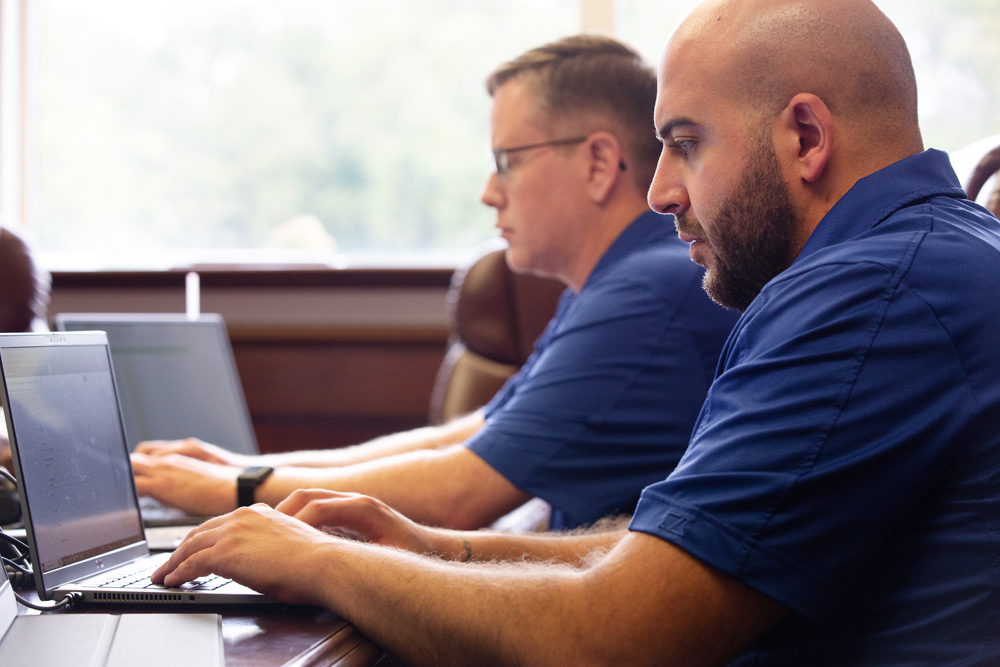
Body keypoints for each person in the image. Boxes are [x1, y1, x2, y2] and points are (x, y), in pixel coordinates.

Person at [151, 0, 1000, 664]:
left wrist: (322, 561)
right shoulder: (912, 261)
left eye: (685, 144)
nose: (660, 188)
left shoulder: (868, 295)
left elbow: (615, 640)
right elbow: (669, 551)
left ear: (805, 137)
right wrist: (439, 550)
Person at [131, 35, 738, 531]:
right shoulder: (619, 283)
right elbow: (476, 433)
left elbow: (458, 491)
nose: (487, 191)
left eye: (507, 161)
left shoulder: (647, 295)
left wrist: (236, 488)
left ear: (599, 163)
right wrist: (251, 467)